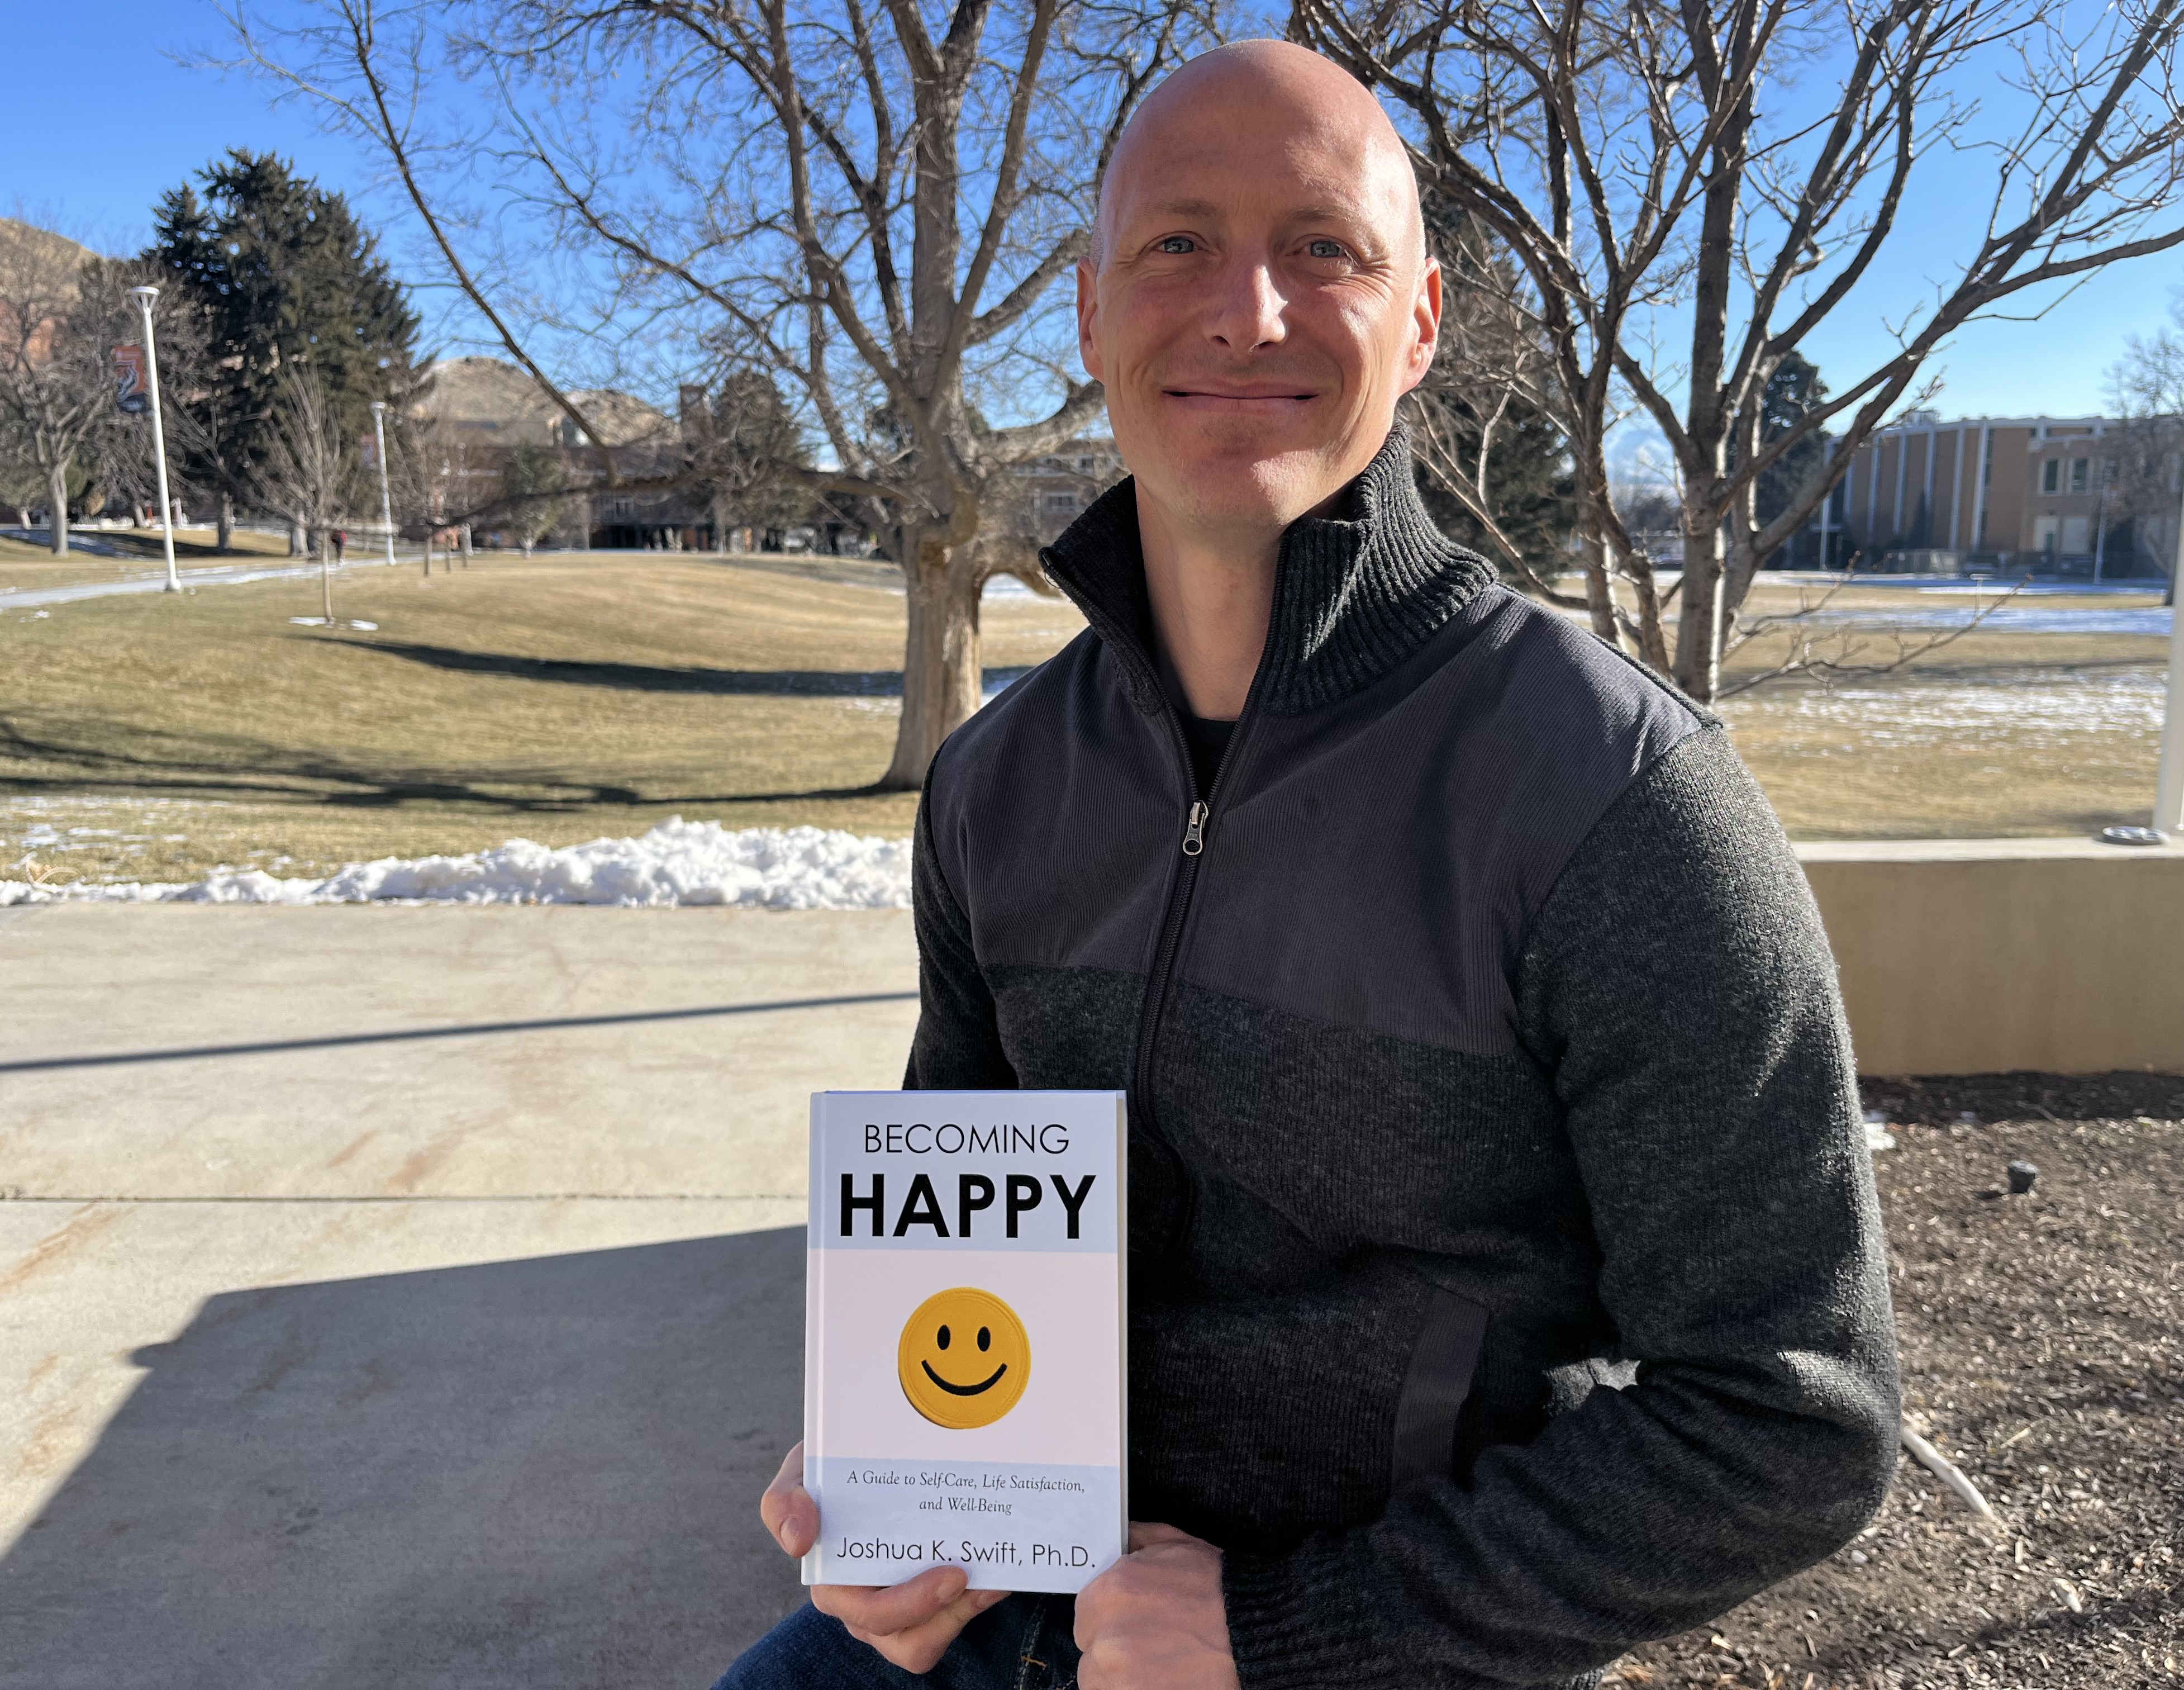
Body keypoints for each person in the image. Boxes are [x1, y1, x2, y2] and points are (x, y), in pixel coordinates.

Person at [718, 38, 1898, 1690]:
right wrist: (892, 1464)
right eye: (1178, 243)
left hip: (1394, 1645)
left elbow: (1797, 1412)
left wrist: (1292, 1631)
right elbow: (958, 1238)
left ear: (1417, 324)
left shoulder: (1617, 800)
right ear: (1090, 309)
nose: (1246, 311)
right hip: (1021, 1615)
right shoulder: (996, 788)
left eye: (1323, 248)